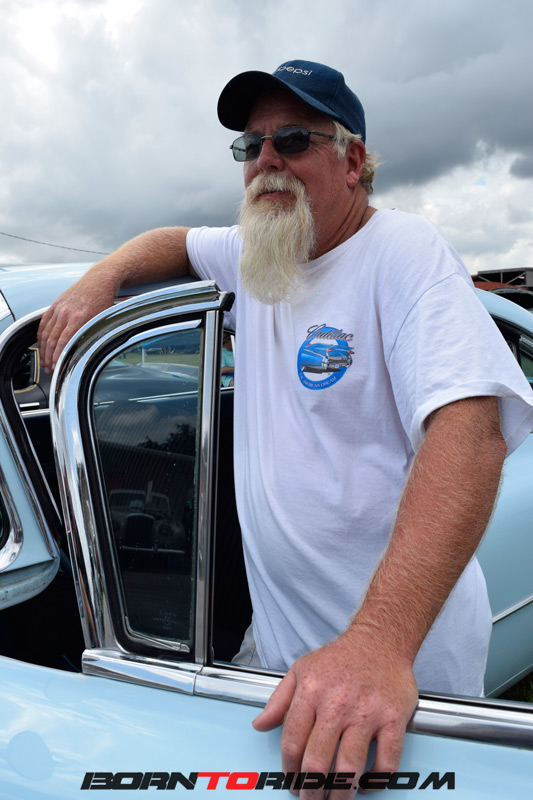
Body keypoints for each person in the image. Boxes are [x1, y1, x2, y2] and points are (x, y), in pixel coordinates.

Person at [38, 60, 533, 796]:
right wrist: (100, 277)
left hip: (396, 672)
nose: (266, 159)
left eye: (293, 139)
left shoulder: (402, 251)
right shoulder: (260, 252)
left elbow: (469, 433)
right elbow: (173, 240)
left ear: (353, 161)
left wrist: (377, 647)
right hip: (276, 661)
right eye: (251, 145)